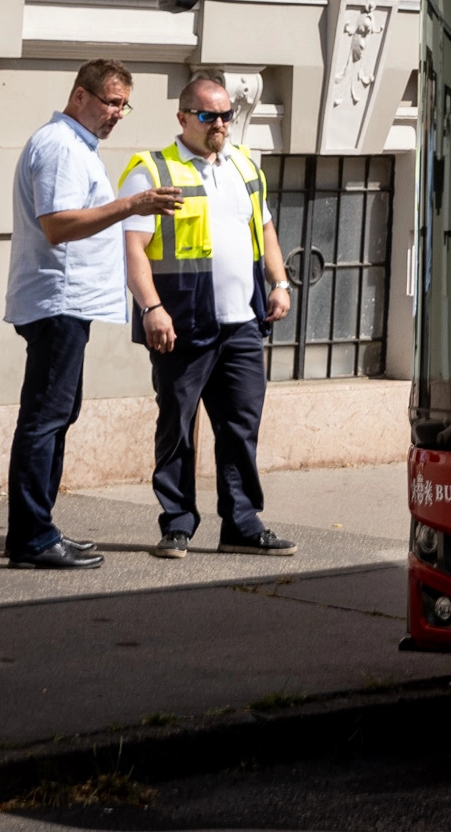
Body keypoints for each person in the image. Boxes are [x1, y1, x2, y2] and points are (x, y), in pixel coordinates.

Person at [4, 58, 178, 570]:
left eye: (124, 105)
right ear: (80, 96)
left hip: (67, 303)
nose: (118, 114)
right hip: (57, 300)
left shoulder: (76, 147)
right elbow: (57, 225)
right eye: (110, 102)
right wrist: (132, 205)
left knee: (56, 417)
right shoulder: (59, 148)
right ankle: (33, 537)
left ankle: (39, 529)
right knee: (44, 420)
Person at [118, 68, 297, 559]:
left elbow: (267, 228)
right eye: (207, 115)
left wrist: (279, 283)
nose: (219, 123)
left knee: (240, 427)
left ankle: (241, 523)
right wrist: (150, 307)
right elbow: (134, 249)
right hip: (182, 323)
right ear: (183, 117)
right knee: (177, 424)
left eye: (225, 114)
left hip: (242, 323)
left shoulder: (243, 165)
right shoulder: (152, 170)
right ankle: (176, 524)